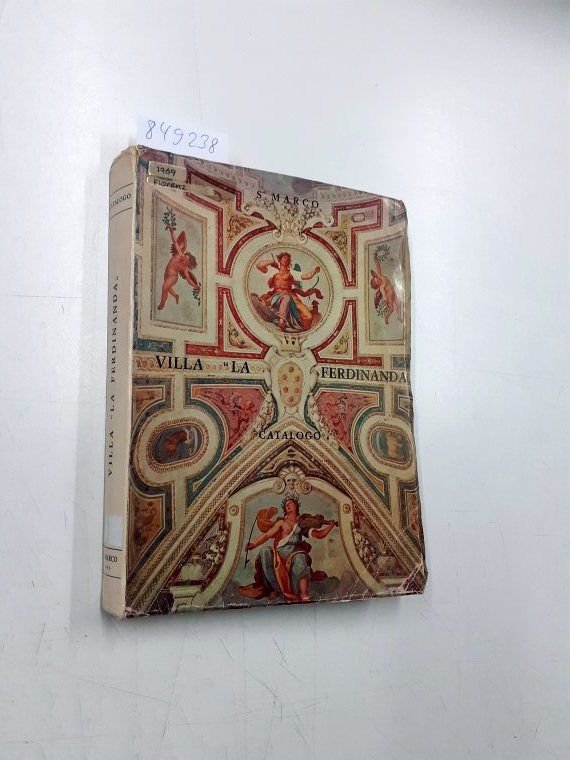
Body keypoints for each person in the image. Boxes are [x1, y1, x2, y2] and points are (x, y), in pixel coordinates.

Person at [239, 497, 337, 602]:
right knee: (265, 552)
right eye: (286, 504)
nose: (288, 505)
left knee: (301, 557)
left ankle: (304, 594)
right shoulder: (281, 523)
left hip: (293, 554)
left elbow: (319, 535)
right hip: (279, 554)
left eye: (290, 503)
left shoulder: (302, 524)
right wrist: (253, 544)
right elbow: (267, 535)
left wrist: (330, 526)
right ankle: (275, 589)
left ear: (296, 506)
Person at [254, 252, 322, 331]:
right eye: (284, 258)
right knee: (266, 301)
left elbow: (306, 276)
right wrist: (272, 262)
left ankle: (293, 324)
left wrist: (314, 271)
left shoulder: (292, 272)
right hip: (276, 296)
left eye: (288, 259)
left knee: (309, 316)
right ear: (280, 259)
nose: (286, 260)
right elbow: (259, 266)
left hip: (291, 296)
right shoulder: (273, 271)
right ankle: (281, 323)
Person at [157, 227, 200, 310]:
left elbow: (189, 280)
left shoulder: (185, 268)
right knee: (168, 288)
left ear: (188, 263)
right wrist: (172, 232)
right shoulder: (180, 254)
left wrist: (195, 286)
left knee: (164, 288)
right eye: (185, 256)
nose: (184, 258)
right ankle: (176, 296)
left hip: (173, 277)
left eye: (186, 260)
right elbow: (175, 242)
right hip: (167, 272)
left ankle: (162, 304)